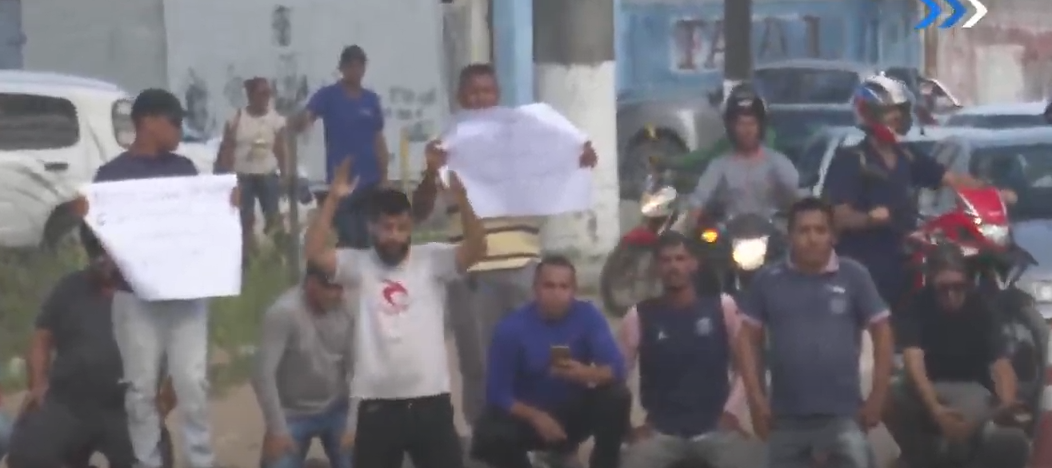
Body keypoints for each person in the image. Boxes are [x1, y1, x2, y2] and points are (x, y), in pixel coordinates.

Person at [411, 62, 597, 444]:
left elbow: (558, 165)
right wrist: (431, 172)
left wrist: (576, 162)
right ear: (460, 97)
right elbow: (418, 211)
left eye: (487, 90)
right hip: (471, 270)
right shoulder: (445, 143)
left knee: (536, 357)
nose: (480, 98)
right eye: (473, 91)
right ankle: (486, 438)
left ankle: (543, 435)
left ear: (498, 95)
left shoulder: (525, 138)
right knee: (477, 361)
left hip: (524, 267)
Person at [302, 158, 487, 468]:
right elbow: (314, 253)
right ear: (371, 226)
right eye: (386, 228)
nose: (394, 236)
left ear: (410, 226)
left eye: (402, 228)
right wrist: (333, 198)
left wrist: (463, 200)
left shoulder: (432, 260)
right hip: (376, 406)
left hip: (431, 401)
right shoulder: (357, 265)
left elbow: (477, 248)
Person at [92, 88, 217, 468]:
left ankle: (201, 461)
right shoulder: (111, 175)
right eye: (175, 121)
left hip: (184, 295)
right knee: (140, 388)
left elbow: (201, 223)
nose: (180, 130)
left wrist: (225, 207)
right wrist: (103, 259)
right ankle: (147, 462)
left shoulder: (183, 170)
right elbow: (98, 240)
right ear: (148, 121)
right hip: (136, 297)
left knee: (192, 383)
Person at [735, 197, 893, 468]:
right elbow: (747, 338)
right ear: (789, 236)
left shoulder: (854, 275)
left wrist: (878, 394)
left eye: (820, 230)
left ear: (832, 236)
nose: (812, 238)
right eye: (803, 230)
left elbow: (882, 331)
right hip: (785, 419)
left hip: (844, 416)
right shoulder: (767, 280)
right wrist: (756, 400)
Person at [822, 75, 994, 317]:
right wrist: (869, 218)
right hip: (866, 259)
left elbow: (950, 179)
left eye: (899, 112)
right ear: (869, 114)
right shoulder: (851, 159)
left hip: (905, 252)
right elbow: (838, 216)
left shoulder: (907, 155)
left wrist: (991, 192)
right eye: (889, 112)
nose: (896, 119)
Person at [7, 226, 175, 468]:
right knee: (30, 454)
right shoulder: (70, 288)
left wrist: (164, 403)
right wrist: (37, 385)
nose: (102, 260)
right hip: (68, 404)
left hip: (129, 410)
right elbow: (41, 338)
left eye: (108, 252)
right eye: (96, 252)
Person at [471, 255, 631, 468]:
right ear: (535, 288)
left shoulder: (588, 316)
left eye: (564, 287)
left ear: (574, 290)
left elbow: (617, 368)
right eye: (549, 286)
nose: (556, 294)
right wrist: (536, 417)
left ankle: (603, 463)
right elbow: (497, 393)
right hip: (529, 416)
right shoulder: (511, 328)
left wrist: (586, 373)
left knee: (617, 396)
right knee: (490, 432)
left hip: (572, 412)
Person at [884, 244, 1030, 468]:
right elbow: (914, 362)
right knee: (889, 397)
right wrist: (935, 407)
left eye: (958, 287)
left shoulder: (982, 308)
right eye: (943, 288)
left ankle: (960, 455)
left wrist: (1005, 400)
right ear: (932, 285)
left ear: (966, 283)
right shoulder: (918, 305)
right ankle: (921, 457)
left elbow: (1001, 363)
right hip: (930, 384)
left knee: (968, 422)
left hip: (971, 387)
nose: (951, 295)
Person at [618, 232, 750, 468]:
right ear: (657, 267)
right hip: (662, 432)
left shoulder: (723, 307)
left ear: (693, 264)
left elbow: (747, 366)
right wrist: (630, 426)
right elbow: (618, 377)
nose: (673, 266)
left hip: (715, 428)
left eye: (680, 258)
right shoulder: (638, 316)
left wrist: (732, 411)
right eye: (666, 260)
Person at [252, 262, 357, 468]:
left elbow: (357, 370)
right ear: (311, 284)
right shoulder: (283, 313)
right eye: (331, 287)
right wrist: (277, 429)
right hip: (292, 413)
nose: (338, 294)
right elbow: (262, 374)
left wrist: (353, 425)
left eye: (341, 287)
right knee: (277, 464)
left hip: (336, 406)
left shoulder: (348, 308)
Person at [295, 45, 389, 248]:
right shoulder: (328, 95)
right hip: (343, 181)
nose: (355, 71)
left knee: (368, 238)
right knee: (348, 237)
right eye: (351, 66)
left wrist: (384, 177)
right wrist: (297, 123)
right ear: (342, 68)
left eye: (360, 66)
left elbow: (378, 139)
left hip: (370, 179)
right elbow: (307, 118)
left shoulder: (370, 100)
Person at [688, 82, 798, 227]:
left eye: (752, 123)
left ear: (761, 126)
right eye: (741, 124)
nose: (747, 130)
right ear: (731, 127)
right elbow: (699, 199)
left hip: (771, 232)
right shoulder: (719, 164)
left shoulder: (777, 162)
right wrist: (691, 220)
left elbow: (795, 194)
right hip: (731, 233)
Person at [215, 77, 289, 257]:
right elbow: (227, 146)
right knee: (244, 219)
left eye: (268, 93)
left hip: (267, 174)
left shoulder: (276, 120)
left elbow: (280, 148)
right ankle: (247, 257)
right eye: (261, 93)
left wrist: (285, 174)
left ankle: (280, 255)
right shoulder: (236, 119)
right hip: (243, 176)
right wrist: (226, 176)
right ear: (250, 95)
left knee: (273, 216)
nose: (266, 97)